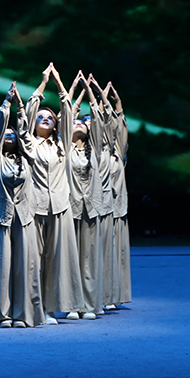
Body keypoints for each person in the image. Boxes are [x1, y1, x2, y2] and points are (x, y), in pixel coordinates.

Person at [0, 83, 45, 328]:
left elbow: (26, 134)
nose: (9, 135)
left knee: (24, 268)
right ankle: (1, 315)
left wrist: (20, 107)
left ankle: (23, 315)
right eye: (6, 133)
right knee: (0, 268)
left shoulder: (28, 160)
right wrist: (6, 104)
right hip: (1, 218)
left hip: (24, 218)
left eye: (12, 133)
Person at [25, 63, 86, 321]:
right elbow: (28, 112)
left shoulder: (62, 143)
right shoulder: (28, 142)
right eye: (41, 117)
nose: (45, 118)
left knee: (57, 258)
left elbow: (68, 112)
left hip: (60, 206)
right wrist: (43, 84)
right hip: (34, 205)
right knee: (35, 258)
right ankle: (36, 307)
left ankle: (53, 306)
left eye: (49, 117)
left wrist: (60, 83)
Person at [67, 72, 109, 318]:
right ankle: (72, 305)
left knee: (89, 257)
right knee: (70, 257)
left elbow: (98, 118)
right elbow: (66, 115)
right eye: (75, 123)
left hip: (91, 208)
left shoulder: (96, 149)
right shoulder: (63, 148)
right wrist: (75, 90)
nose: (79, 124)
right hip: (69, 207)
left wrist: (91, 92)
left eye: (82, 123)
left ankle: (91, 305)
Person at [106, 82, 132, 307]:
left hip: (114, 209)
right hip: (89, 210)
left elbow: (120, 132)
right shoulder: (83, 154)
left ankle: (113, 294)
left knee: (115, 253)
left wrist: (117, 105)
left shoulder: (116, 154)